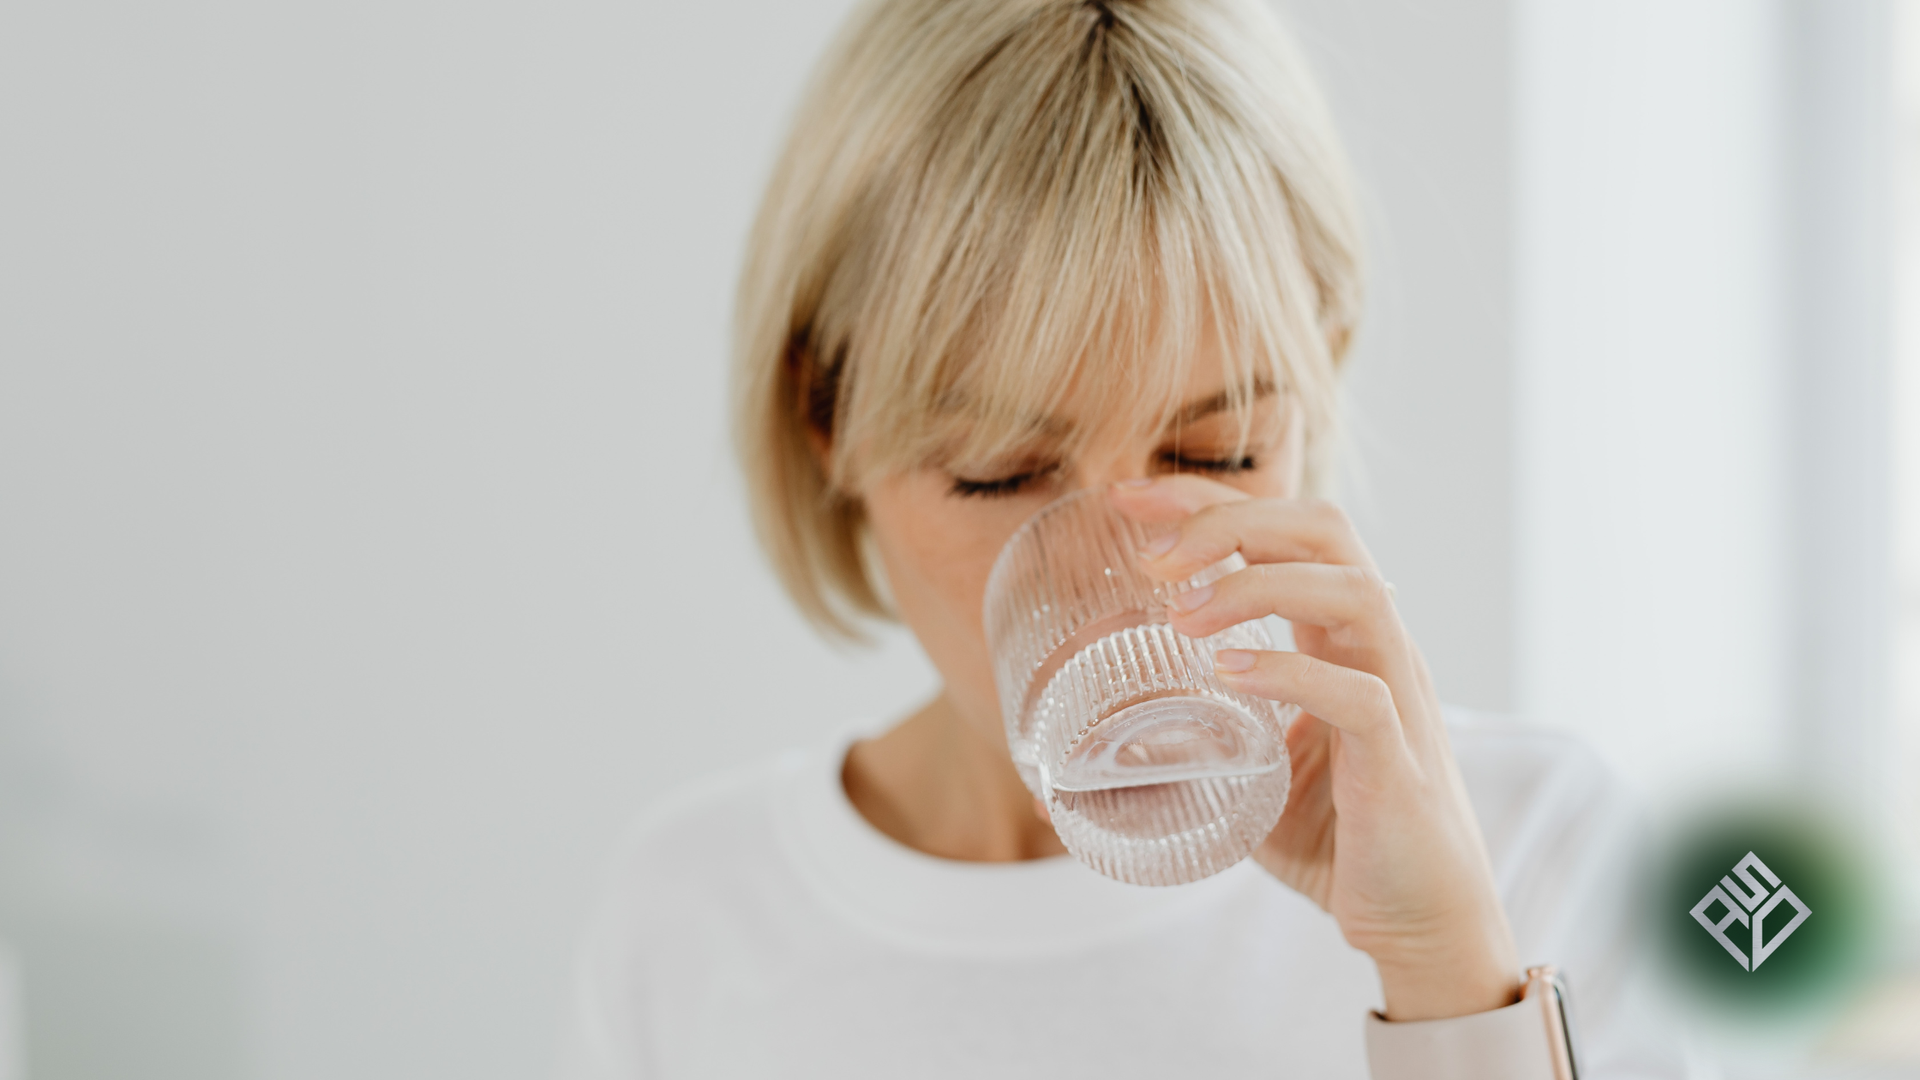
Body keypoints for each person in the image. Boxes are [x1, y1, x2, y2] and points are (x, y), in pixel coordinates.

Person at [559, 1, 1693, 1076]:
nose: (1144, 570)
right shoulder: (694, 917)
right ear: (826, 421)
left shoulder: (1533, 845)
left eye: (1217, 453)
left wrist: (1446, 979)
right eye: (1001, 469)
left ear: (1321, 366)